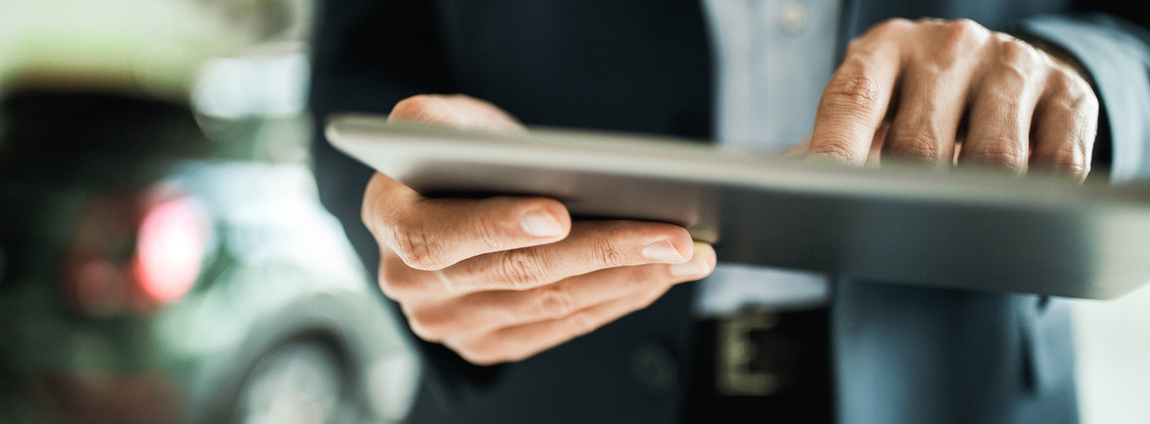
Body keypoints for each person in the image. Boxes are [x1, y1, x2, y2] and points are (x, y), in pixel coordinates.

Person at [307, 1, 1150, 423]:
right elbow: (358, 67)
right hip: (553, 388)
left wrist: (1071, 84)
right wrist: (427, 230)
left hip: (958, 384)